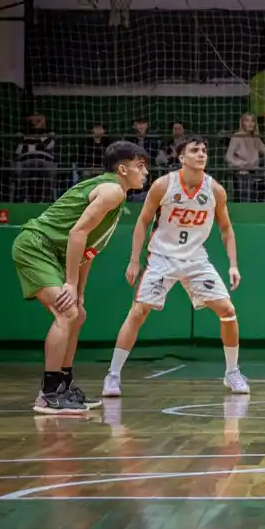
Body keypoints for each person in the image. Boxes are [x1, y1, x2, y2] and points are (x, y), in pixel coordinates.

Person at [101, 135, 249, 397]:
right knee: (138, 312)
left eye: (204, 150)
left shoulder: (215, 190)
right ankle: (112, 376)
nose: (201, 154)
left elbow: (226, 229)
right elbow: (143, 221)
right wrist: (134, 259)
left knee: (228, 310)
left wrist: (233, 265)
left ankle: (232, 372)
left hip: (195, 260)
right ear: (181, 157)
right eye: (195, 150)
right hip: (162, 257)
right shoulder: (163, 185)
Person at [11, 141, 148, 414]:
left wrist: (80, 291)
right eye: (140, 166)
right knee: (67, 312)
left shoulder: (113, 193)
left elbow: (87, 251)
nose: (145, 172)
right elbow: (77, 233)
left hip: (56, 253)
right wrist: (70, 284)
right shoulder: (112, 191)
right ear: (122, 169)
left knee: (77, 313)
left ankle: (64, 385)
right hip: (36, 246)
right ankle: (48, 394)